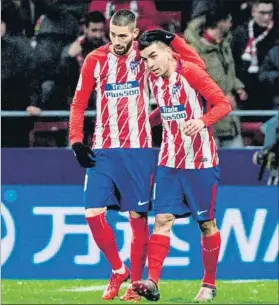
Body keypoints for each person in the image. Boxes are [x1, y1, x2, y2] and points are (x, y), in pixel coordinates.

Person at [69, 10, 205, 301]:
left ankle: (135, 282)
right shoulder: (95, 59)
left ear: (133, 34)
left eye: (123, 36)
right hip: (103, 149)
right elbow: (79, 103)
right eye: (113, 35)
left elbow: (196, 65)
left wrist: (172, 39)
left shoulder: (145, 58)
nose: (117, 41)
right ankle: (118, 269)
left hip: (139, 150)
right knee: (92, 213)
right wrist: (77, 141)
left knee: (137, 217)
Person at [132, 30, 232, 302]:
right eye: (145, 59)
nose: (150, 63)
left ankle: (209, 285)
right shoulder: (154, 79)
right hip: (169, 161)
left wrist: (201, 122)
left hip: (200, 162)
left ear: (168, 52)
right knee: (162, 220)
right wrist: (143, 122)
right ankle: (152, 281)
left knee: (206, 224)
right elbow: (165, 110)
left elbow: (223, 105)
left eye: (153, 55)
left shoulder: (191, 72)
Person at [185, 9, 248, 148]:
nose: (231, 24)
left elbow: (227, 72)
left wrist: (237, 86)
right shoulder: (194, 51)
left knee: (238, 161)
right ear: (220, 23)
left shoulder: (224, 45)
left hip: (229, 118)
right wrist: (221, 97)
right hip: (209, 121)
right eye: (229, 20)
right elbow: (194, 83)